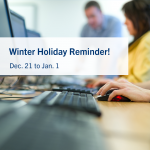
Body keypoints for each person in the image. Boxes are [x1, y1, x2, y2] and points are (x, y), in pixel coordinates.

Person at [87, 0, 150, 88]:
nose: (124, 23)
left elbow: (140, 82)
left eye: (128, 18)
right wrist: (111, 81)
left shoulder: (147, 41)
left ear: (141, 19)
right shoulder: (138, 42)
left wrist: (111, 82)